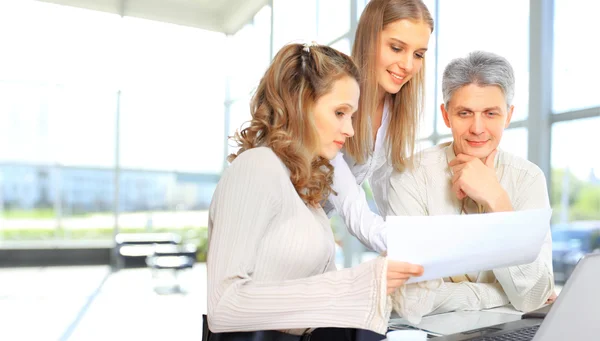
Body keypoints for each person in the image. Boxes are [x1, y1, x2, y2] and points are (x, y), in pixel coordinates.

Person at [206, 43, 424, 338]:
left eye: (352, 116)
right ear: (301, 105)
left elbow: (314, 291)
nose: (349, 129)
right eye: (339, 113)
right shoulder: (256, 168)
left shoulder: (302, 186)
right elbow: (224, 307)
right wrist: (357, 283)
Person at [386, 51, 555, 322]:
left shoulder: (528, 178)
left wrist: (498, 201)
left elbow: (533, 296)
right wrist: (501, 294)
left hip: (508, 335)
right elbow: (410, 300)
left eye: (491, 113)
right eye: (465, 113)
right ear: (446, 115)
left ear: (508, 116)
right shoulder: (410, 176)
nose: (478, 128)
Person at [325, 0, 433, 254]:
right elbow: (354, 210)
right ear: (369, 39)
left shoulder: (394, 113)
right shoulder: (333, 97)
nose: (408, 65)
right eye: (397, 48)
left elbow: (389, 195)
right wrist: (423, 250)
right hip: (274, 226)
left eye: (418, 54)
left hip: (313, 233)